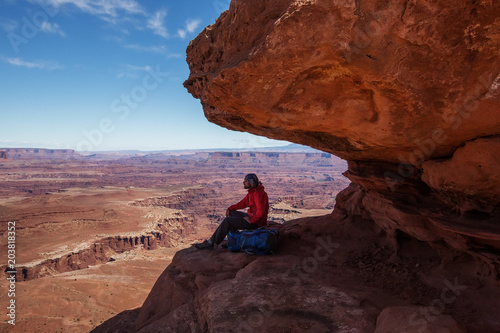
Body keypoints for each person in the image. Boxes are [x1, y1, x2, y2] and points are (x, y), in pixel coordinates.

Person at [194, 173, 269, 250]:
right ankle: (233, 240)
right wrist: (230, 208)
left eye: (245, 181)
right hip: (252, 217)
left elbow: (261, 212)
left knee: (228, 221)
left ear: (251, 182)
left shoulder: (258, 194)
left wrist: (252, 221)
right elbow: (243, 203)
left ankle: (211, 243)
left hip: (256, 224)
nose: (243, 182)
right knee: (231, 213)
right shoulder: (252, 192)